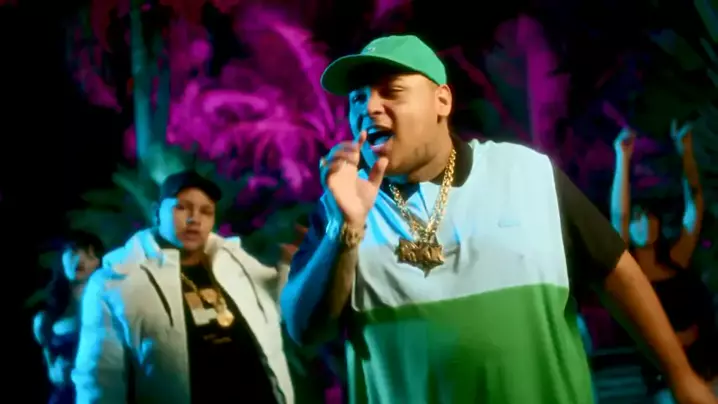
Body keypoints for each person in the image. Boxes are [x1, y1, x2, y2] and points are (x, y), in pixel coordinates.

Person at [280, 34, 717, 404]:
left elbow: (617, 272)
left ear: (442, 100)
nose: (369, 107)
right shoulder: (341, 204)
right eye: (358, 98)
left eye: (390, 91)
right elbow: (304, 330)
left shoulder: (526, 174)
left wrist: (680, 376)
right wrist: (344, 229)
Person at [73, 171, 298, 404]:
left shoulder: (234, 260)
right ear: (156, 212)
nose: (194, 219)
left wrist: (293, 265)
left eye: (206, 211)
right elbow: (100, 380)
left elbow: (277, 310)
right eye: (182, 208)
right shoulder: (115, 281)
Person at [610, 125, 718, 401]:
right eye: (638, 218)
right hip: (667, 381)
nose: (645, 222)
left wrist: (687, 152)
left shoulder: (676, 258)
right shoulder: (630, 272)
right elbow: (619, 216)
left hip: (708, 368)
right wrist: (622, 158)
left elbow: (695, 207)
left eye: (650, 216)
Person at [33, 231, 104, 404]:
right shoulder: (45, 320)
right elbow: (51, 369)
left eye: (90, 254)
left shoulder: (108, 308)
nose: (80, 258)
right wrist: (55, 372)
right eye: (73, 251)